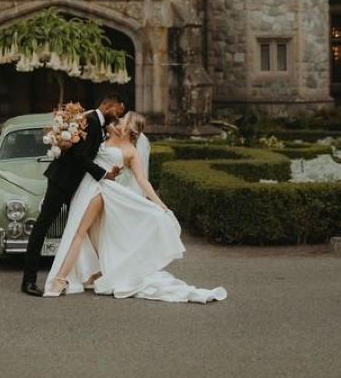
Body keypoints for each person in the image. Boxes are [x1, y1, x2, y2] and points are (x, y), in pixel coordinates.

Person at [43, 111, 227, 303]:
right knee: (91, 234)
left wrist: (160, 204)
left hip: (101, 189)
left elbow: (142, 181)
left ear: (130, 127)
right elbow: (90, 119)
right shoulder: (106, 134)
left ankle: (60, 279)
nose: (118, 120)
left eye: (123, 119)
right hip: (87, 185)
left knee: (78, 232)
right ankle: (95, 274)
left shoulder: (131, 151)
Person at [20, 93, 126, 296]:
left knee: (80, 228)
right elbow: (79, 157)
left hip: (77, 184)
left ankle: (84, 275)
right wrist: (103, 175)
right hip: (62, 181)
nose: (119, 115)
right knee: (43, 226)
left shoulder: (97, 123)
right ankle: (28, 281)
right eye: (119, 110)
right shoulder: (93, 121)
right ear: (109, 105)